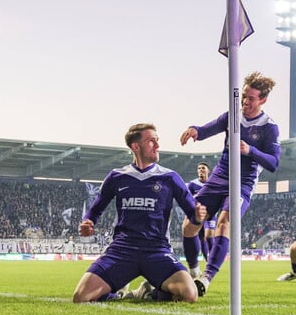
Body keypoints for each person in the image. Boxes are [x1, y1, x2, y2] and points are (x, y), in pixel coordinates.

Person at [72, 123, 206, 303]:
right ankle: (117, 293)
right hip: (122, 250)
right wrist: (87, 222)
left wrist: (198, 217)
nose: (158, 145)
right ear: (136, 146)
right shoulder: (116, 176)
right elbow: (95, 209)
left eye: (157, 141)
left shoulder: (170, 177)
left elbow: (192, 214)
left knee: (190, 295)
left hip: (157, 250)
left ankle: (150, 292)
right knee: (81, 297)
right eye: (152, 141)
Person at [179, 71, 281, 296]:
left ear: (263, 100)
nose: (245, 101)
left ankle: (206, 279)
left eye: (251, 98)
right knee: (189, 223)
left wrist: (250, 150)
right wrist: (195, 130)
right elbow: (208, 129)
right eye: (244, 96)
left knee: (224, 223)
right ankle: (194, 272)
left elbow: (274, 163)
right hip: (220, 176)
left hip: (243, 182)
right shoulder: (232, 115)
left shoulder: (269, 127)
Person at [184, 162, 216, 266]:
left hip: (210, 213)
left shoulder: (213, 183)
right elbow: (187, 199)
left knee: (209, 235)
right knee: (201, 238)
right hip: (198, 214)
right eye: (199, 168)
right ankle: (208, 261)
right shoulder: (192, 184)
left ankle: (212, 261)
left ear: (208, 171)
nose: (200, 170)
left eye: (203, 168)